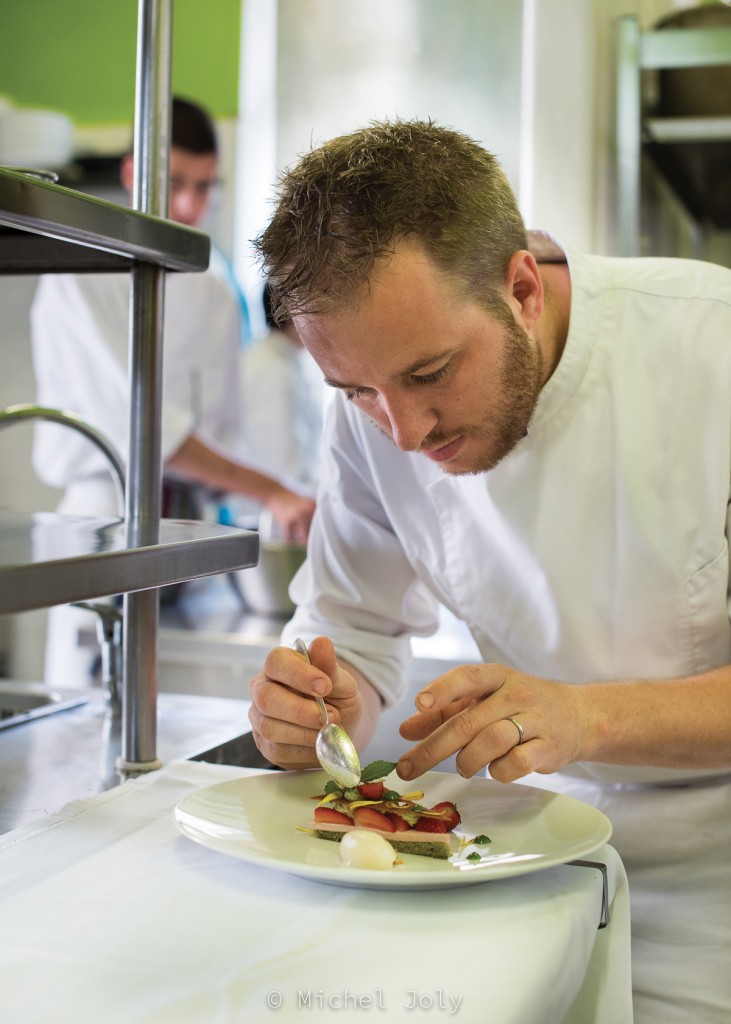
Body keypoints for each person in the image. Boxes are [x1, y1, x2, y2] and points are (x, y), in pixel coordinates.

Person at [247, 119, 731, 1023]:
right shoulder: (379, 413)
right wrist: (323, 702)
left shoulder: (713, 347)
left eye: (431, 372)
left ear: (520, 287)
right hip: (523, 862)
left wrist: (583, 715)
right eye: (355, 392)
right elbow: (352, 624)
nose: (403, 431)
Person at [30, 97, 315, 686]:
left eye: (206, 186)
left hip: (187, 536)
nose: (192, 205)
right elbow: (150, 428)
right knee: (90, 712)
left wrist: (260, 504)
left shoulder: (212, 288)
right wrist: (272, 491)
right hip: (101, 523)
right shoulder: (78, 270)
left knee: (178, 710)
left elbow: (219, 432)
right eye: (177, 183)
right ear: (136, 175)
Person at [234, 282, 327, 517]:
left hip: (278, 509)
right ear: (294, 314)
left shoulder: (281, 362)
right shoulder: (272, 370)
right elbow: (281, 463)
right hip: (272, 517)